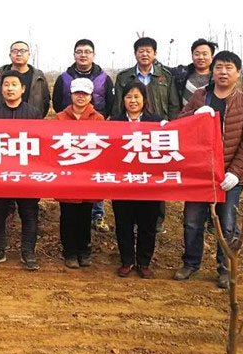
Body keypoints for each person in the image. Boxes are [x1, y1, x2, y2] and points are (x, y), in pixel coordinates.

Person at [174, 50, 243, 289]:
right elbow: (180, 124)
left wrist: (235, 172)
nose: (223, 72)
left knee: (227, 223)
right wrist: (194, 115)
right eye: (219, 67)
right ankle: (190, 263)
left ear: (238, 72)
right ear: (212, 71)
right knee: (192, 220)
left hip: (229, 175)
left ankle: (225, 268)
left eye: (228, 68)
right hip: (199, 174)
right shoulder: (200, 97)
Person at [113, 36, 178, 232]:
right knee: (129, 173)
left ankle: (156, 220)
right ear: (135, 54)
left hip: (157, 132)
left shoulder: (165, 76)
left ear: (155, 54)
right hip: (129, 133)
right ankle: (130, 218)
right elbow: (118, 105)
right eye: (140, 51)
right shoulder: (124, 77)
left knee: (155, 175)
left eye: (148, 51)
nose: (144, 54)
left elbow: (173, 104)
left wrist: (171, 128)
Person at [52, 39, 115, 234]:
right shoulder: (64, 78)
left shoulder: (104, 78)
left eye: (87, 51)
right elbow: (56, 101)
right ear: (74, 55)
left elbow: (111, 103)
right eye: (79, 51)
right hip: (68, 135)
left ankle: (97, 215)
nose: (83, 55)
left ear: (93, 55)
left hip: (93, 134)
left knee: (93, 178)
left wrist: (95, 121)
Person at [0, 70, 44, 271]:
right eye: (6, 84)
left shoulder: (33, 113)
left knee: (29, 213)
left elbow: (40, 143)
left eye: (14, 85)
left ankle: (28, 251)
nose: (10, 88)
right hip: (0, 172)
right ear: (1, 89)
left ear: (23, 88)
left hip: (27, 173)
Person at [109, 81, 164, 278]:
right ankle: (127, 261)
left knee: (147, 225)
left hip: (148, 182)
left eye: (137, 97)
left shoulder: (156, 122)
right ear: (123, 100)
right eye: (128, 97)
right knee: (123, 223)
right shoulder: (114, 123)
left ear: (144, 99)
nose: (133, 101)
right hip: (122, 182)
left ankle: (144, 262)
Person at [56, 78, 105, 268]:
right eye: (77, 93)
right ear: (71, 95)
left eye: (84, 94)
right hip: (66, 175)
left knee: (85, 214)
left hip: (87, 175)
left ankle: (84, 250)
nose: (80, 97)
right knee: (68, 215)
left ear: (91, 96)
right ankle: (69, 251)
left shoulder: (98, 119)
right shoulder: (60, 118)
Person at [0, 40, 50, 118]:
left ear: (29, 55)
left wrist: (37, 116)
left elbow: (45, 102)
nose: (19, 54)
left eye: (23, 51)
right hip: (2, 119)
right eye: (15, 51)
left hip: (32, 120)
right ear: (10, 55)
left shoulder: (39, 78)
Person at [170, 38, 218, 107]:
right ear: (192, 56)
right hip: (184, 113)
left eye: (205, 54)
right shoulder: (181, 73)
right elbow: (163, 69)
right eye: (197, 54)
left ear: (212, 57)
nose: (201, 57)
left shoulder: (217, 77)